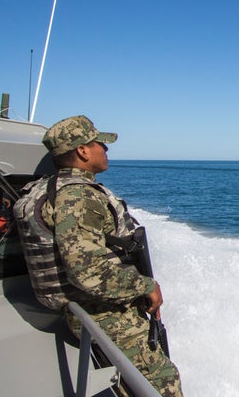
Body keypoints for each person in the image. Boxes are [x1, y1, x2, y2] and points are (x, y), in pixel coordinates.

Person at [13, 115, 183, 396]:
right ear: (82, 151)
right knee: (162, 382)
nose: (106, 150)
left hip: (87, 312)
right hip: (104, 315)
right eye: (100, 144)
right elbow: (87, 273)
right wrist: (147, 286)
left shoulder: (50, 189)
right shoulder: (79, 198)